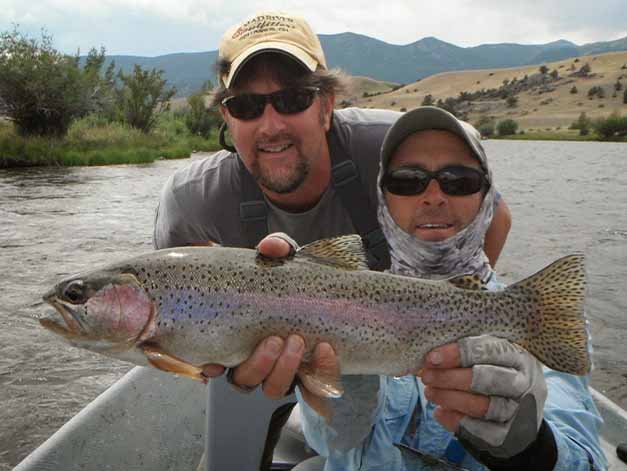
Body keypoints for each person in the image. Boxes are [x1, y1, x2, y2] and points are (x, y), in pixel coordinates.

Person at [153, 9, 511, 393]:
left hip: (407, 347)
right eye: (247, 107)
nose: (271, 126)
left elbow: (496, 217)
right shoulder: (190, 199)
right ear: (227, 116)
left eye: (293, 100)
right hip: (276, 369)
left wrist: (450, 322)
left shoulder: (391, 148)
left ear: (327, 106)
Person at [265, 107, 606, 470]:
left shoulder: (538, 312)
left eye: (458, 180)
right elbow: (339, 445)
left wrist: (535, 451)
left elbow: (585, 458)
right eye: (408, 181)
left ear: (487, 198)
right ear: (384, 201)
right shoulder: (337, 300)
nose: (433, 196)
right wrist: (343, 375)